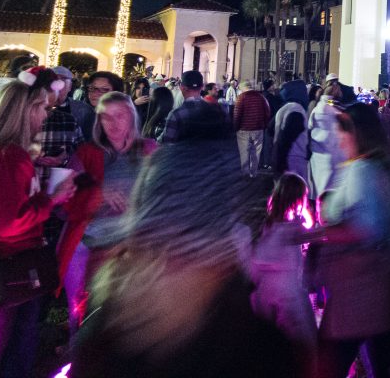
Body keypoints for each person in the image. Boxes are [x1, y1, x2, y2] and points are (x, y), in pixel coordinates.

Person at [70, 109, 292, 378]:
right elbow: (244, 206)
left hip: (154, 269)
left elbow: (141, 211)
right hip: (206, 273)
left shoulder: (161, 160)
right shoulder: (230, 160)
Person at [307, 103, 390, 378]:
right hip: (380, 288)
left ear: (358, 134)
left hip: (356, 288)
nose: (338, 139)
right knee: (382, 363)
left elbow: (366, 228)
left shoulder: (362, 171)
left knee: (327, 364)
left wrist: (315, 233)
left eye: (343, 133)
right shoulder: (384, 166)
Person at [0, 81, 76, 378]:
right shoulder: (9, 156)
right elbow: (7, 222)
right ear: (23, 111)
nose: (45, 114)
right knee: (7, 343)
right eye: (41, 107)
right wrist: (52, 198)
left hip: (10, 265)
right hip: (12, 267)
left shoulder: (11, 153)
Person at [58, 92, 158, 334]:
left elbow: (166, 196)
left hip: (133, 249)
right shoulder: (86, 154)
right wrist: (97, 193)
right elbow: (62, 205)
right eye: (106, 118)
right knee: (84, 318)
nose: (113, 124)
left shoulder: (149, 150)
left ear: (132, 118)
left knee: (128, 320)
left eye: (120, 116)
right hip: (89, 246)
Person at [251, 173, 316, 375]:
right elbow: (315, 231)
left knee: (271, 350)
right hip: (288, 299)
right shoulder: (292, 229)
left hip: (265, 297)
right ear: (298, 200)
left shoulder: (268, 225)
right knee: (306, 350)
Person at [307, 82, 346, 195]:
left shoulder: (316, 109)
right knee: (330, 189)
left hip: (317, 153)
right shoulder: (336, 111)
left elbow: (309, 127)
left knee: (317, 186)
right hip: (332, 154)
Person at [274, 79, 310, 180]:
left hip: (282, 157)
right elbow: (287, 138)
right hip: (293, 159)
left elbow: (270, 129)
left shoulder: (284, 108)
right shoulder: (297, 110)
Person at [159, 70, 209, 143]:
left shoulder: (176, 115)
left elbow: (167, 144)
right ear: (202, 87)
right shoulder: (216, 111)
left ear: (182, 88)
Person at [52, 66, 95, 142]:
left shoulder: (84, 110)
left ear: (70, 86)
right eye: (53, 80)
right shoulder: (34, 107)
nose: (57, 84)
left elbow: (88, 142)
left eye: (62, 80)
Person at [233, 88, 270, 176]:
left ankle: (245, 172)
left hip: (243, 129)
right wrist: (264, 125)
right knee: (256, 152)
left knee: (244, 152)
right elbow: (267, 112)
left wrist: (235, 127)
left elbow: (237, 114)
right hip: (258, 129)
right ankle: (253, 172)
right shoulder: (261, 98)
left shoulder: (241, 97)